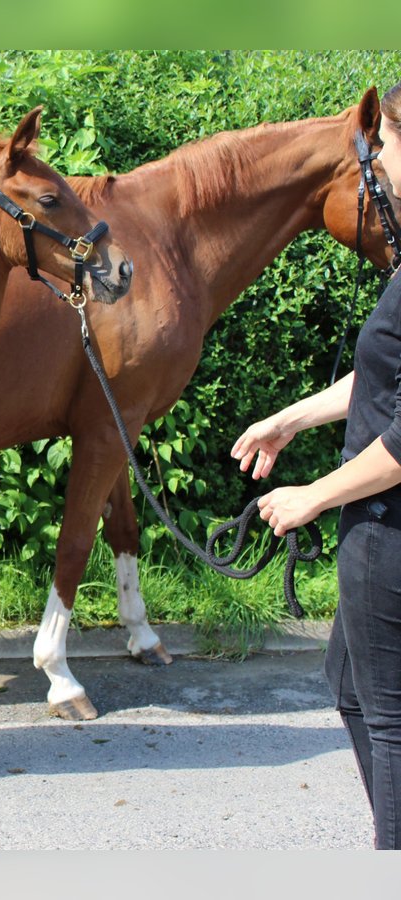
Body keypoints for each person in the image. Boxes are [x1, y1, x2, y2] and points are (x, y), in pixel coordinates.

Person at [230, 79, 401, 850]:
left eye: (384, 149)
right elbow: (384, 374)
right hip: (375, 522)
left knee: (389, 715)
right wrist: (290, 417)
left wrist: (314, 498)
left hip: (388, 529)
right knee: (351, 689)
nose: (380, 165)